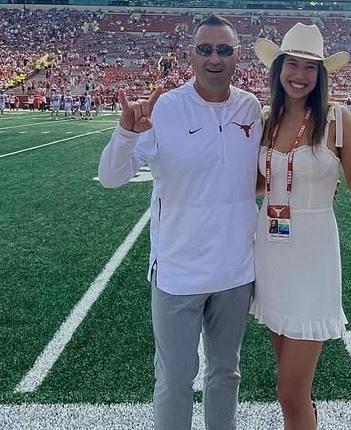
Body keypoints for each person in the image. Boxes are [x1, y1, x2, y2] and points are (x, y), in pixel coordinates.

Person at [98, 15, 262, 429]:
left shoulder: (251, 108)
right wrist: (126, 133)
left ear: (238, 56)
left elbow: (262, 174)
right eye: (205, 49)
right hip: (178, 271)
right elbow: (111, 177)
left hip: (236, 271)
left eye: (224, 49)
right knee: (174, 379)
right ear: (190, 54)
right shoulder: (166, 107)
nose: (214, 57)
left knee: (226, 373)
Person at [252, 23, 351, 429]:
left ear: (321, 74)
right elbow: (257, 184)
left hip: (314, 256)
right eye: (292, 63)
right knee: (297, 391)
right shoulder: (264, 118)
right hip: (270, 252)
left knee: (288, 393)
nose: (300, 74)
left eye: (310, 67)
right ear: (279, 69)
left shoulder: (337, 118)